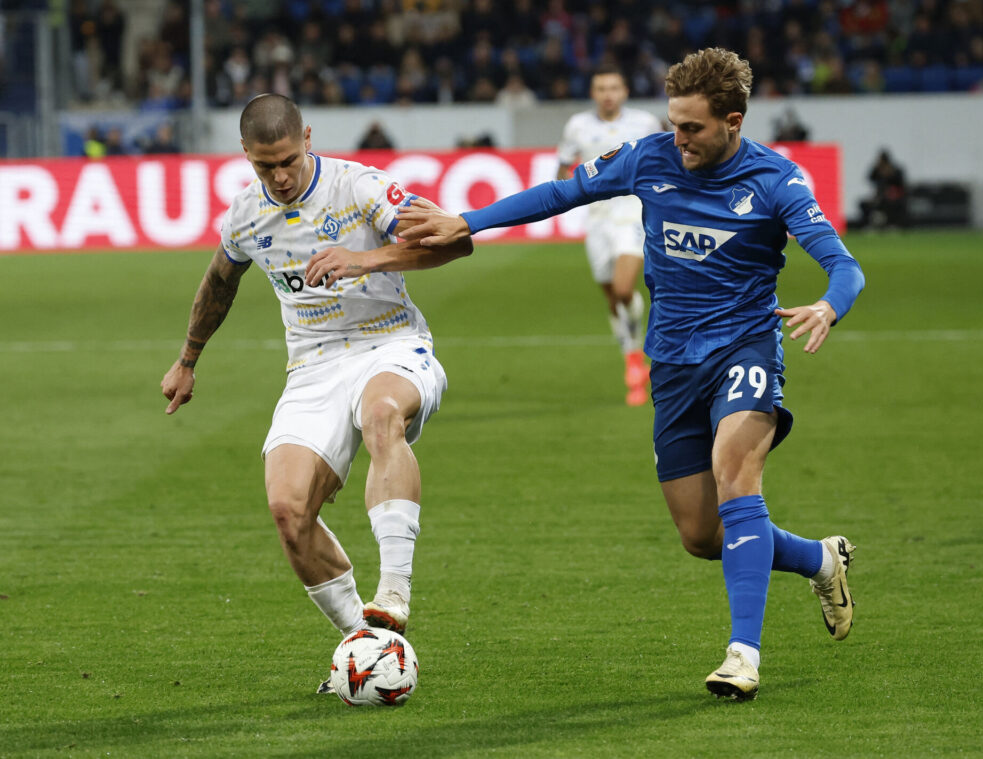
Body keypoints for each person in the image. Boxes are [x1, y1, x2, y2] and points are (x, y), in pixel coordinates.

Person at [396, 48, 865, 702]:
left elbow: (845, 266)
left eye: (693, 128)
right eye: (674, 124)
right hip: (672, 361)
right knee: (703, 536)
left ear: (733, 121)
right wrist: (467, 220)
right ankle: (818, 558)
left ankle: (743, 654)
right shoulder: (649, 157)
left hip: (746, 349)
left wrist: (827, 305)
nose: (679, 139)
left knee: (738, 477)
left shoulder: (776, 182)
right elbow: (563, 191)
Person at [160, 94, 472, 693]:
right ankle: (368, 644)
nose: (279, 176)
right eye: (263, 166)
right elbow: (218, 283)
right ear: (246, 156)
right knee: (287, 511)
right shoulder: (248, 214)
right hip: (312, 366)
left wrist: (365, 259)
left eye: (287, 160)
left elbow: (456, 242)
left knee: (383, 415)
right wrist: (187, 360)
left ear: (308, 137)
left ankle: (394, 593)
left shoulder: (361, 187)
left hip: (391, 344)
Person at [555, 64, 663, 406]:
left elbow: (667, 160)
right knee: (613, 297)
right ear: (593, 93)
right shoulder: (577, 125)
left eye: (614, 88)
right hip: (597, 216)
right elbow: (562, 168)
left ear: (625, 91)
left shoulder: (645, 123)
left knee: (623, 287)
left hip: (631, 211)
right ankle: (633, 358)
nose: (608, 94)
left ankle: (637, 356)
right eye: (601, 88)